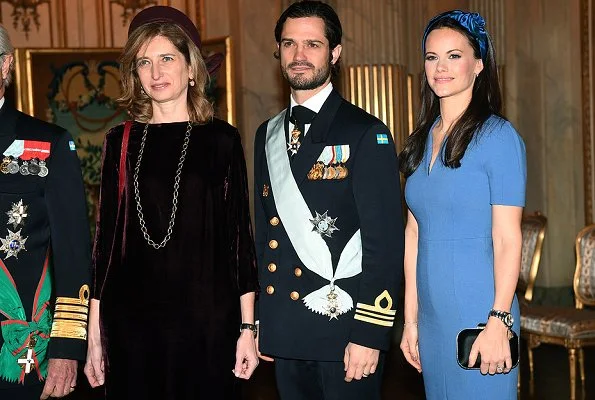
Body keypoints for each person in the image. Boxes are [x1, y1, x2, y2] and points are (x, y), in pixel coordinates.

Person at [83, 6, 259, 399]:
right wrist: (93, 334)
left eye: (166, 58)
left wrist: (248, 329)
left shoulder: (222, 140)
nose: (156, 72)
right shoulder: (118, 141)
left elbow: (239, 243)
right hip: (131, 325)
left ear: (192, 69)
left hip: (207, 323)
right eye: (144, 62)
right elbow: (104, 245)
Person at [253, 1, 404, 399]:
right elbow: (263, 234)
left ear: (334, 53)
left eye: (312, 45)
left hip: (345, 331)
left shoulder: (365, 133)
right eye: (289, 44)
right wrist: (261, 325)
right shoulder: (265, 135)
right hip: (285, 332)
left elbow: (385, 244)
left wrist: (370, 334)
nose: (299, 56)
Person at [399, 10, 526, 399]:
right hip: (432, 320)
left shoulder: (499, 137)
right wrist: (411, 320)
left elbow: (507, 238)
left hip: (481, 314)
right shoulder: (421, 141)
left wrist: (499, 321)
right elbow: (414, 232)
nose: (441, 67)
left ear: (478, 65)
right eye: (432, 56)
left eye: (455, 56)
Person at [0, 25, 91, 400]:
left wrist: (66, 350)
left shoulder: (47, 143)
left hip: (19, 352)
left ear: (5, 65)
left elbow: (73, 254)